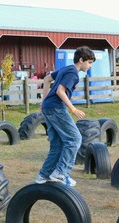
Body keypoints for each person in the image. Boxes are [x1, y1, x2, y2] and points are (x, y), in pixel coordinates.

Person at [35, 46, 96, 187]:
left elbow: (46, 79)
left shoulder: (65, 69)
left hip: (49, 107)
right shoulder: (73, 73)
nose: (90, 66)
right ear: (81, 60)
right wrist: (73, 109)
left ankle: (43, 175)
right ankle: (61, 173)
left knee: (57, 144)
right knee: (74, 139)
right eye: (89, 62)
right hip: (57, 107)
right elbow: (60, 91)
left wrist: (44, 101)